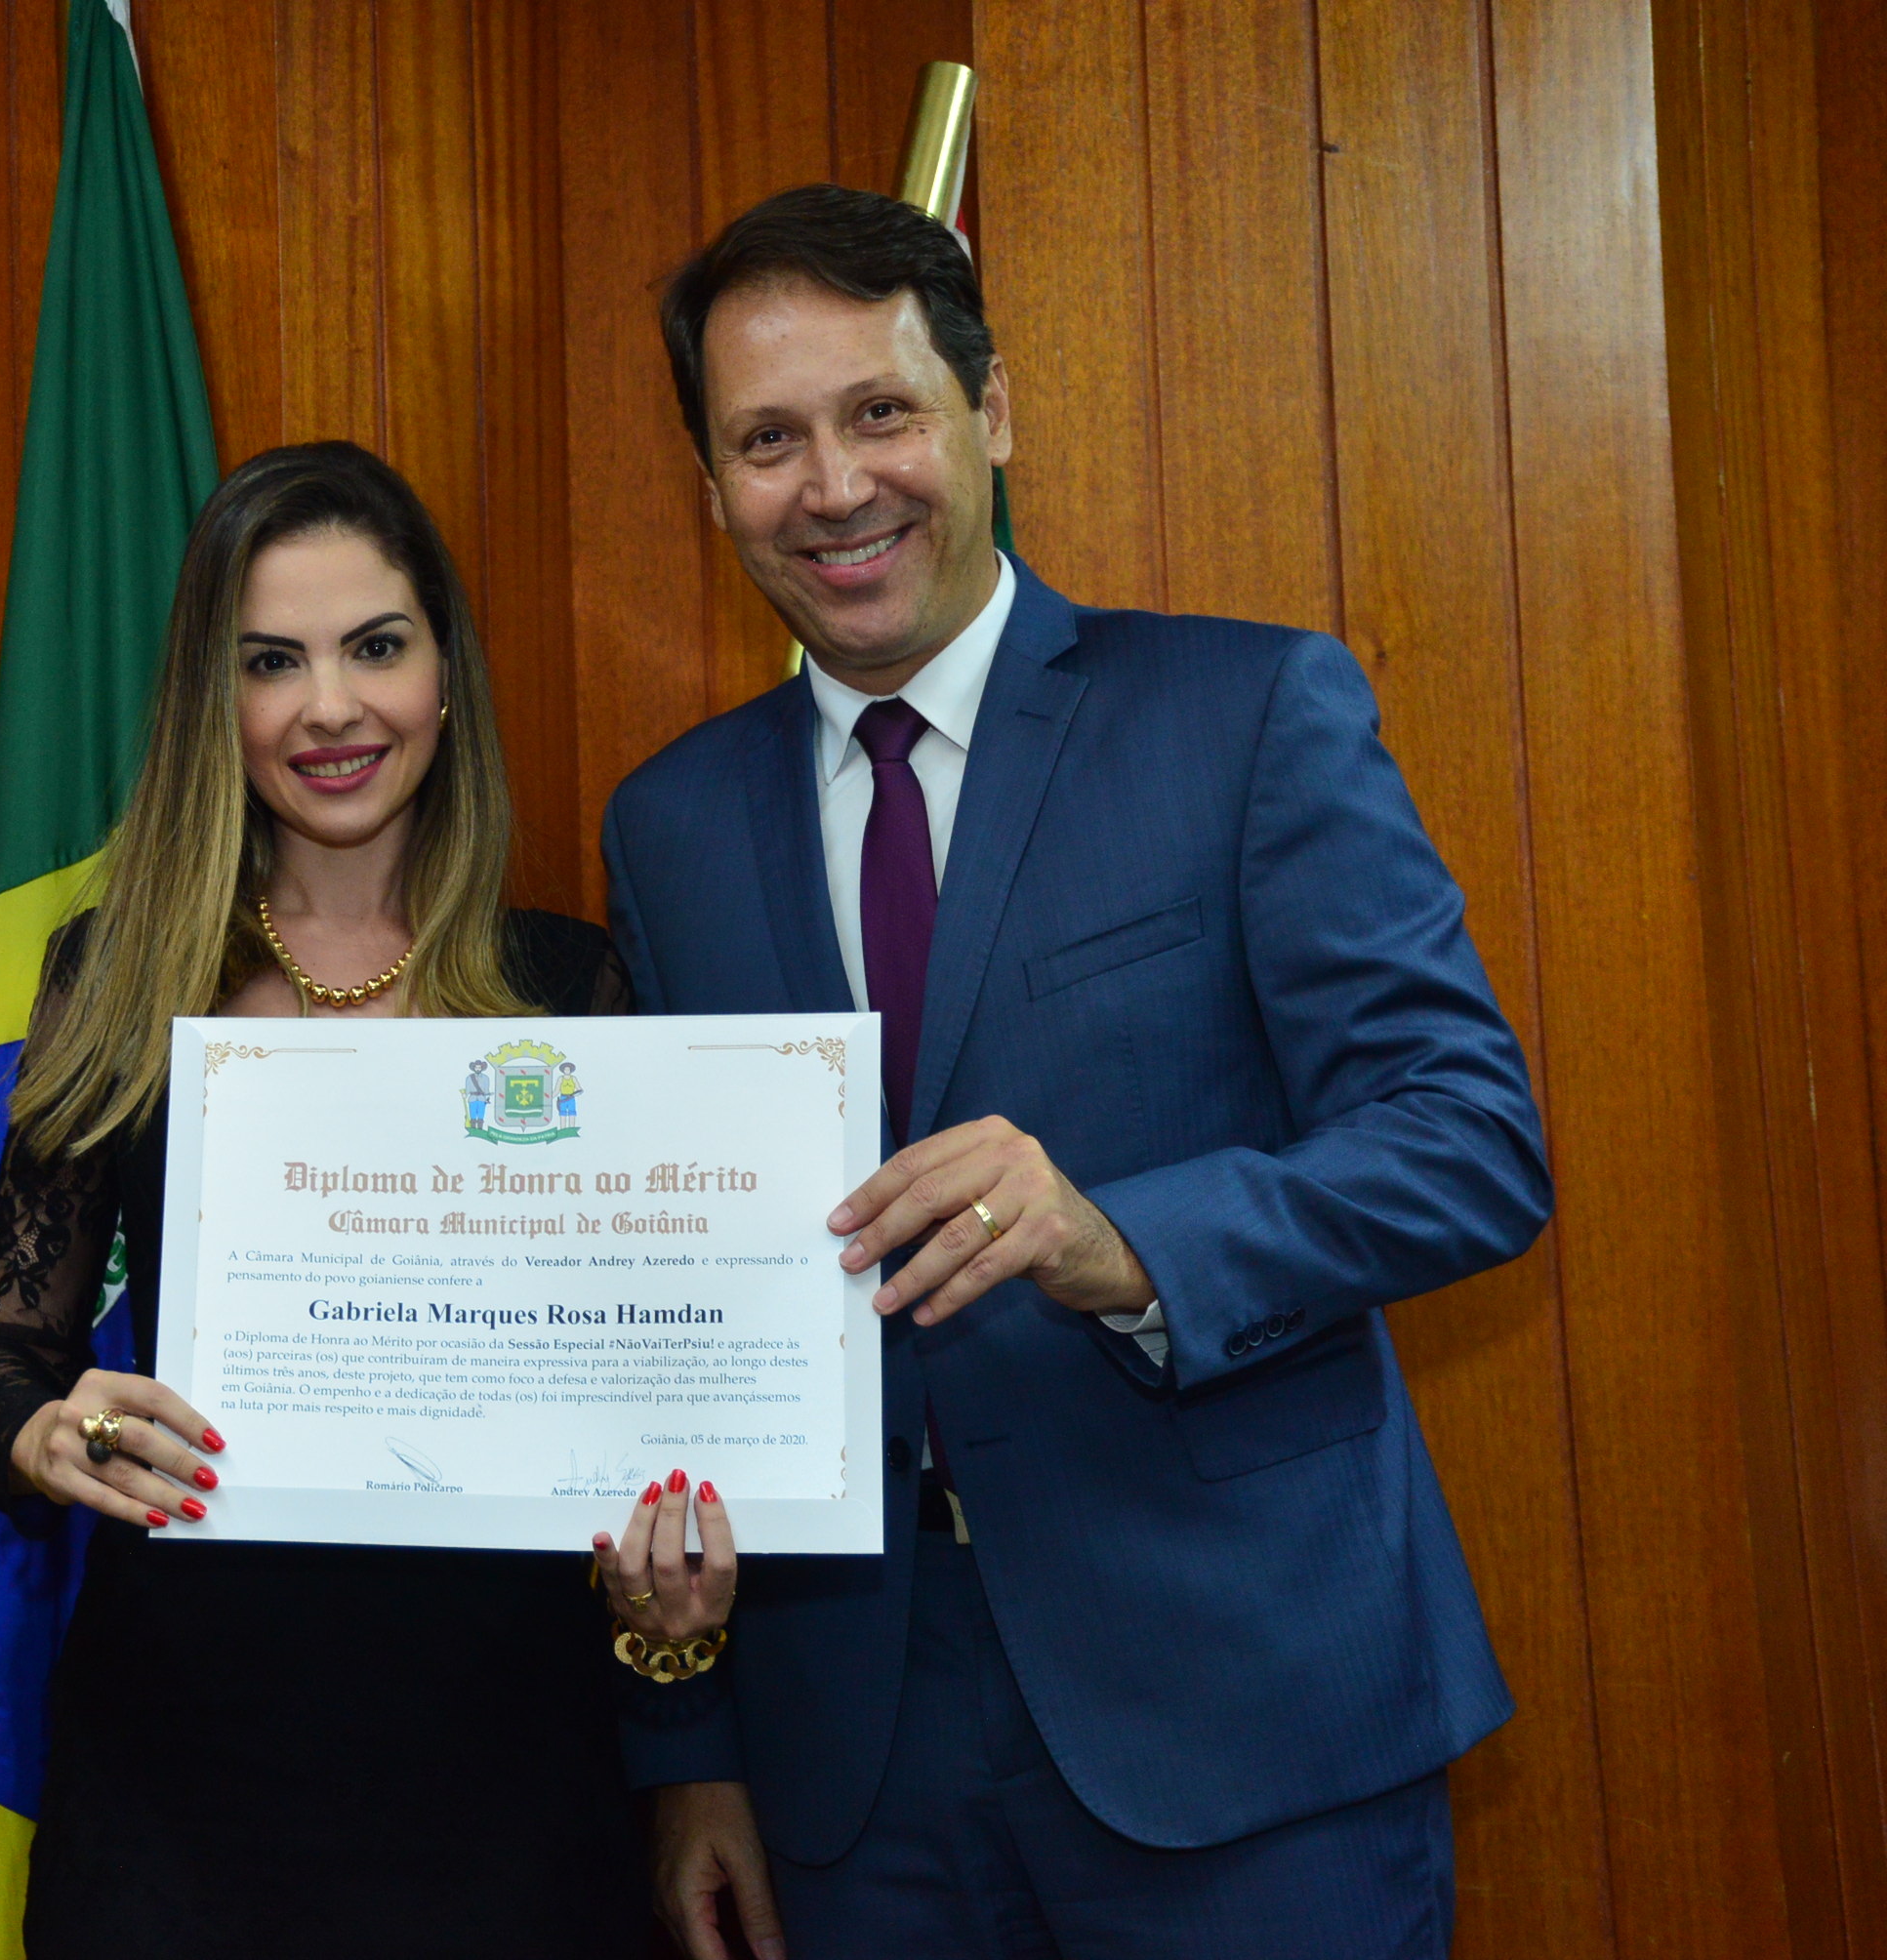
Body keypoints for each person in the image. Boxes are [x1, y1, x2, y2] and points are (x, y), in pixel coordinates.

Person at [599, 184, 1552, 1960]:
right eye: (767, 440)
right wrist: (693, 1750)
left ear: (992, 413)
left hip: (1245, 1721)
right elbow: (680, 1307)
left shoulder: (1244, 716)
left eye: (881, 412)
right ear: (711, 486)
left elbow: (1469, 1144)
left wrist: (1119, 1241)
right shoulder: (670, 829)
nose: (833, 485)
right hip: (853, 1768)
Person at [0, 440, 718, 1959]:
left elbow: (645, 1394)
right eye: (271, 662)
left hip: (507, 1783)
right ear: (213, 702)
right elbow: (3, 1355)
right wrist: (50, 1435)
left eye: (375, 646)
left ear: (444, 675)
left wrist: (672, 1580)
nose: (330, 708)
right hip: (178, 1790)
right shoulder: (118, 975)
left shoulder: (572, 991)